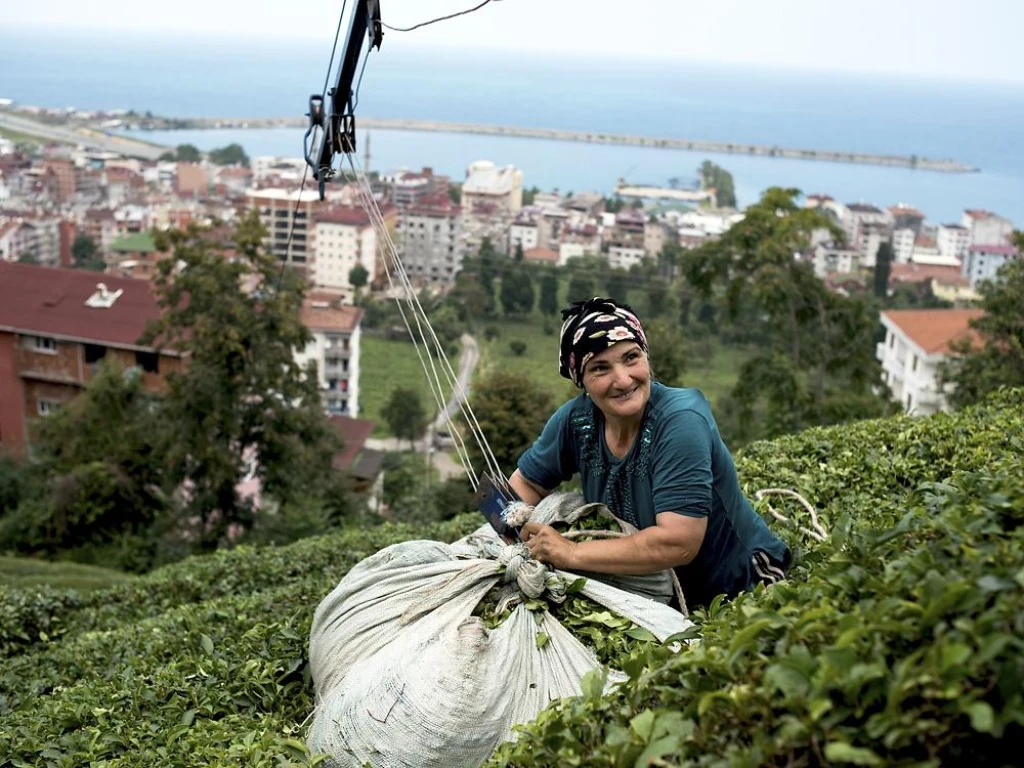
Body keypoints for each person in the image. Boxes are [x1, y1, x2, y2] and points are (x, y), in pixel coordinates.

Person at [510, 297, 790, 611]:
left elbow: (678, 542)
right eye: (600, 368)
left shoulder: (681, 422)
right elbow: (526, 486)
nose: (623, 379)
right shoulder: (576, 422)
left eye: (631, 358)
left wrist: (571, 553)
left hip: (739, 587)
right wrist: (513, 536)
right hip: (656, 592)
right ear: (582, 381)